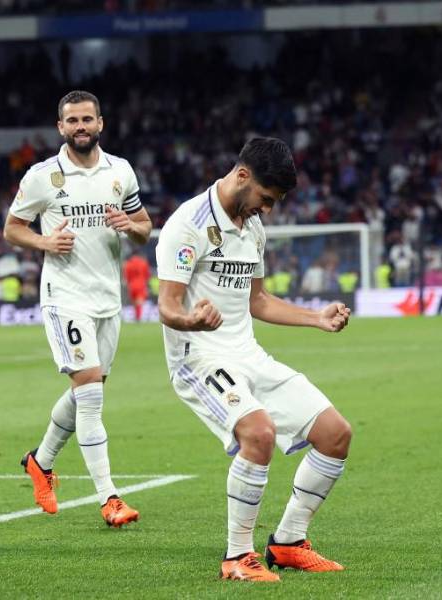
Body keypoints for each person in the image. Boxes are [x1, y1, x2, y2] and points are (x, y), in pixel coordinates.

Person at [156, 137, 352, 582]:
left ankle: (288, 542)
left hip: (247, 354)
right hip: (198, 356)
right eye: (267, 198)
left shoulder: (253, 227)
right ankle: (237, 557)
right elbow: (166, 306)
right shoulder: (186, 225)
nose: (269, 209)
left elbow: (258, 301)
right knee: (258, 433)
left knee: (335, 434)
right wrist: (191, 320)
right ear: (242, 176)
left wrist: (315, 318)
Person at [4, 91, 152, 527]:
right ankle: (109, 498)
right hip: (65, 295)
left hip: (108, 297)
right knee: (90, 394)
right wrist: (45, 241)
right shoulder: (42, 176)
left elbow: (144, 226)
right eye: (72, 121)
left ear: (101, 123)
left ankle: (40, 461)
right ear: (61, 128)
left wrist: (132, 227)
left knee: (88, 390)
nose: (81, 126)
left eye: (88, 119)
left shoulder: (120, 171)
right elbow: (13, 229)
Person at [123, 251, 151, 321]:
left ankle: (136, 316)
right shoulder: (143, 263)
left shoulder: (128, 264)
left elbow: (126, 276)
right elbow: (147, 275)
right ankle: (138, 318)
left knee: (134, 302)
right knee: (139, 302)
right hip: (141, 284)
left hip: (131, 285)